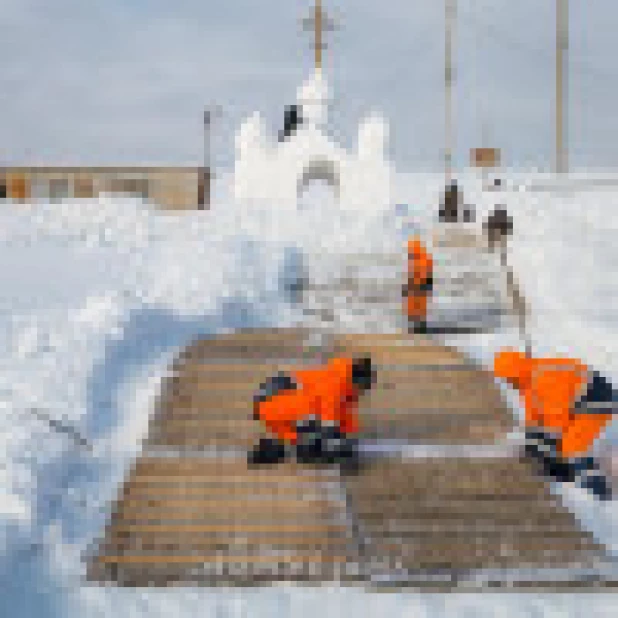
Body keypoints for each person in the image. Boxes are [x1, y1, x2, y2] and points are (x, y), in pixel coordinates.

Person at [493, 349, 616, 500]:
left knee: (573, 447)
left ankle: (599, 493)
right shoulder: (529, 383)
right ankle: (566, 477)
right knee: (558, 444)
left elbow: (557, 420)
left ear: (515, 372)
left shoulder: (543, 379)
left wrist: (550, 450)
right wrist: (532, 439)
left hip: (596, 399)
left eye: (508, 378)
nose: (508, 383)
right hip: (581, 402)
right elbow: (535, 416)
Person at [248, 356, 376, 473]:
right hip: (271, 405)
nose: (363, 391)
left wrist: (348, 441)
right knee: (317, 440)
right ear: (357, 382)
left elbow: (345, 418)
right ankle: (281, 448)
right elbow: (329, 427)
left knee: (319, 436)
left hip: (277, 403)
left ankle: (280, 446)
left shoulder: (346, 386)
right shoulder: (334, 386)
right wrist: (343, 450)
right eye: (364, 386)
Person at [403, 237, 434, 334]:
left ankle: (418, 328)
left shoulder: (421, 260)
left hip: (420, 286)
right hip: (419, 287)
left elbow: (425, 275)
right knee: (416, 308)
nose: (409, 254)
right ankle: (417, 327)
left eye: (411, 251)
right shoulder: (418, 260)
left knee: (417, 308)